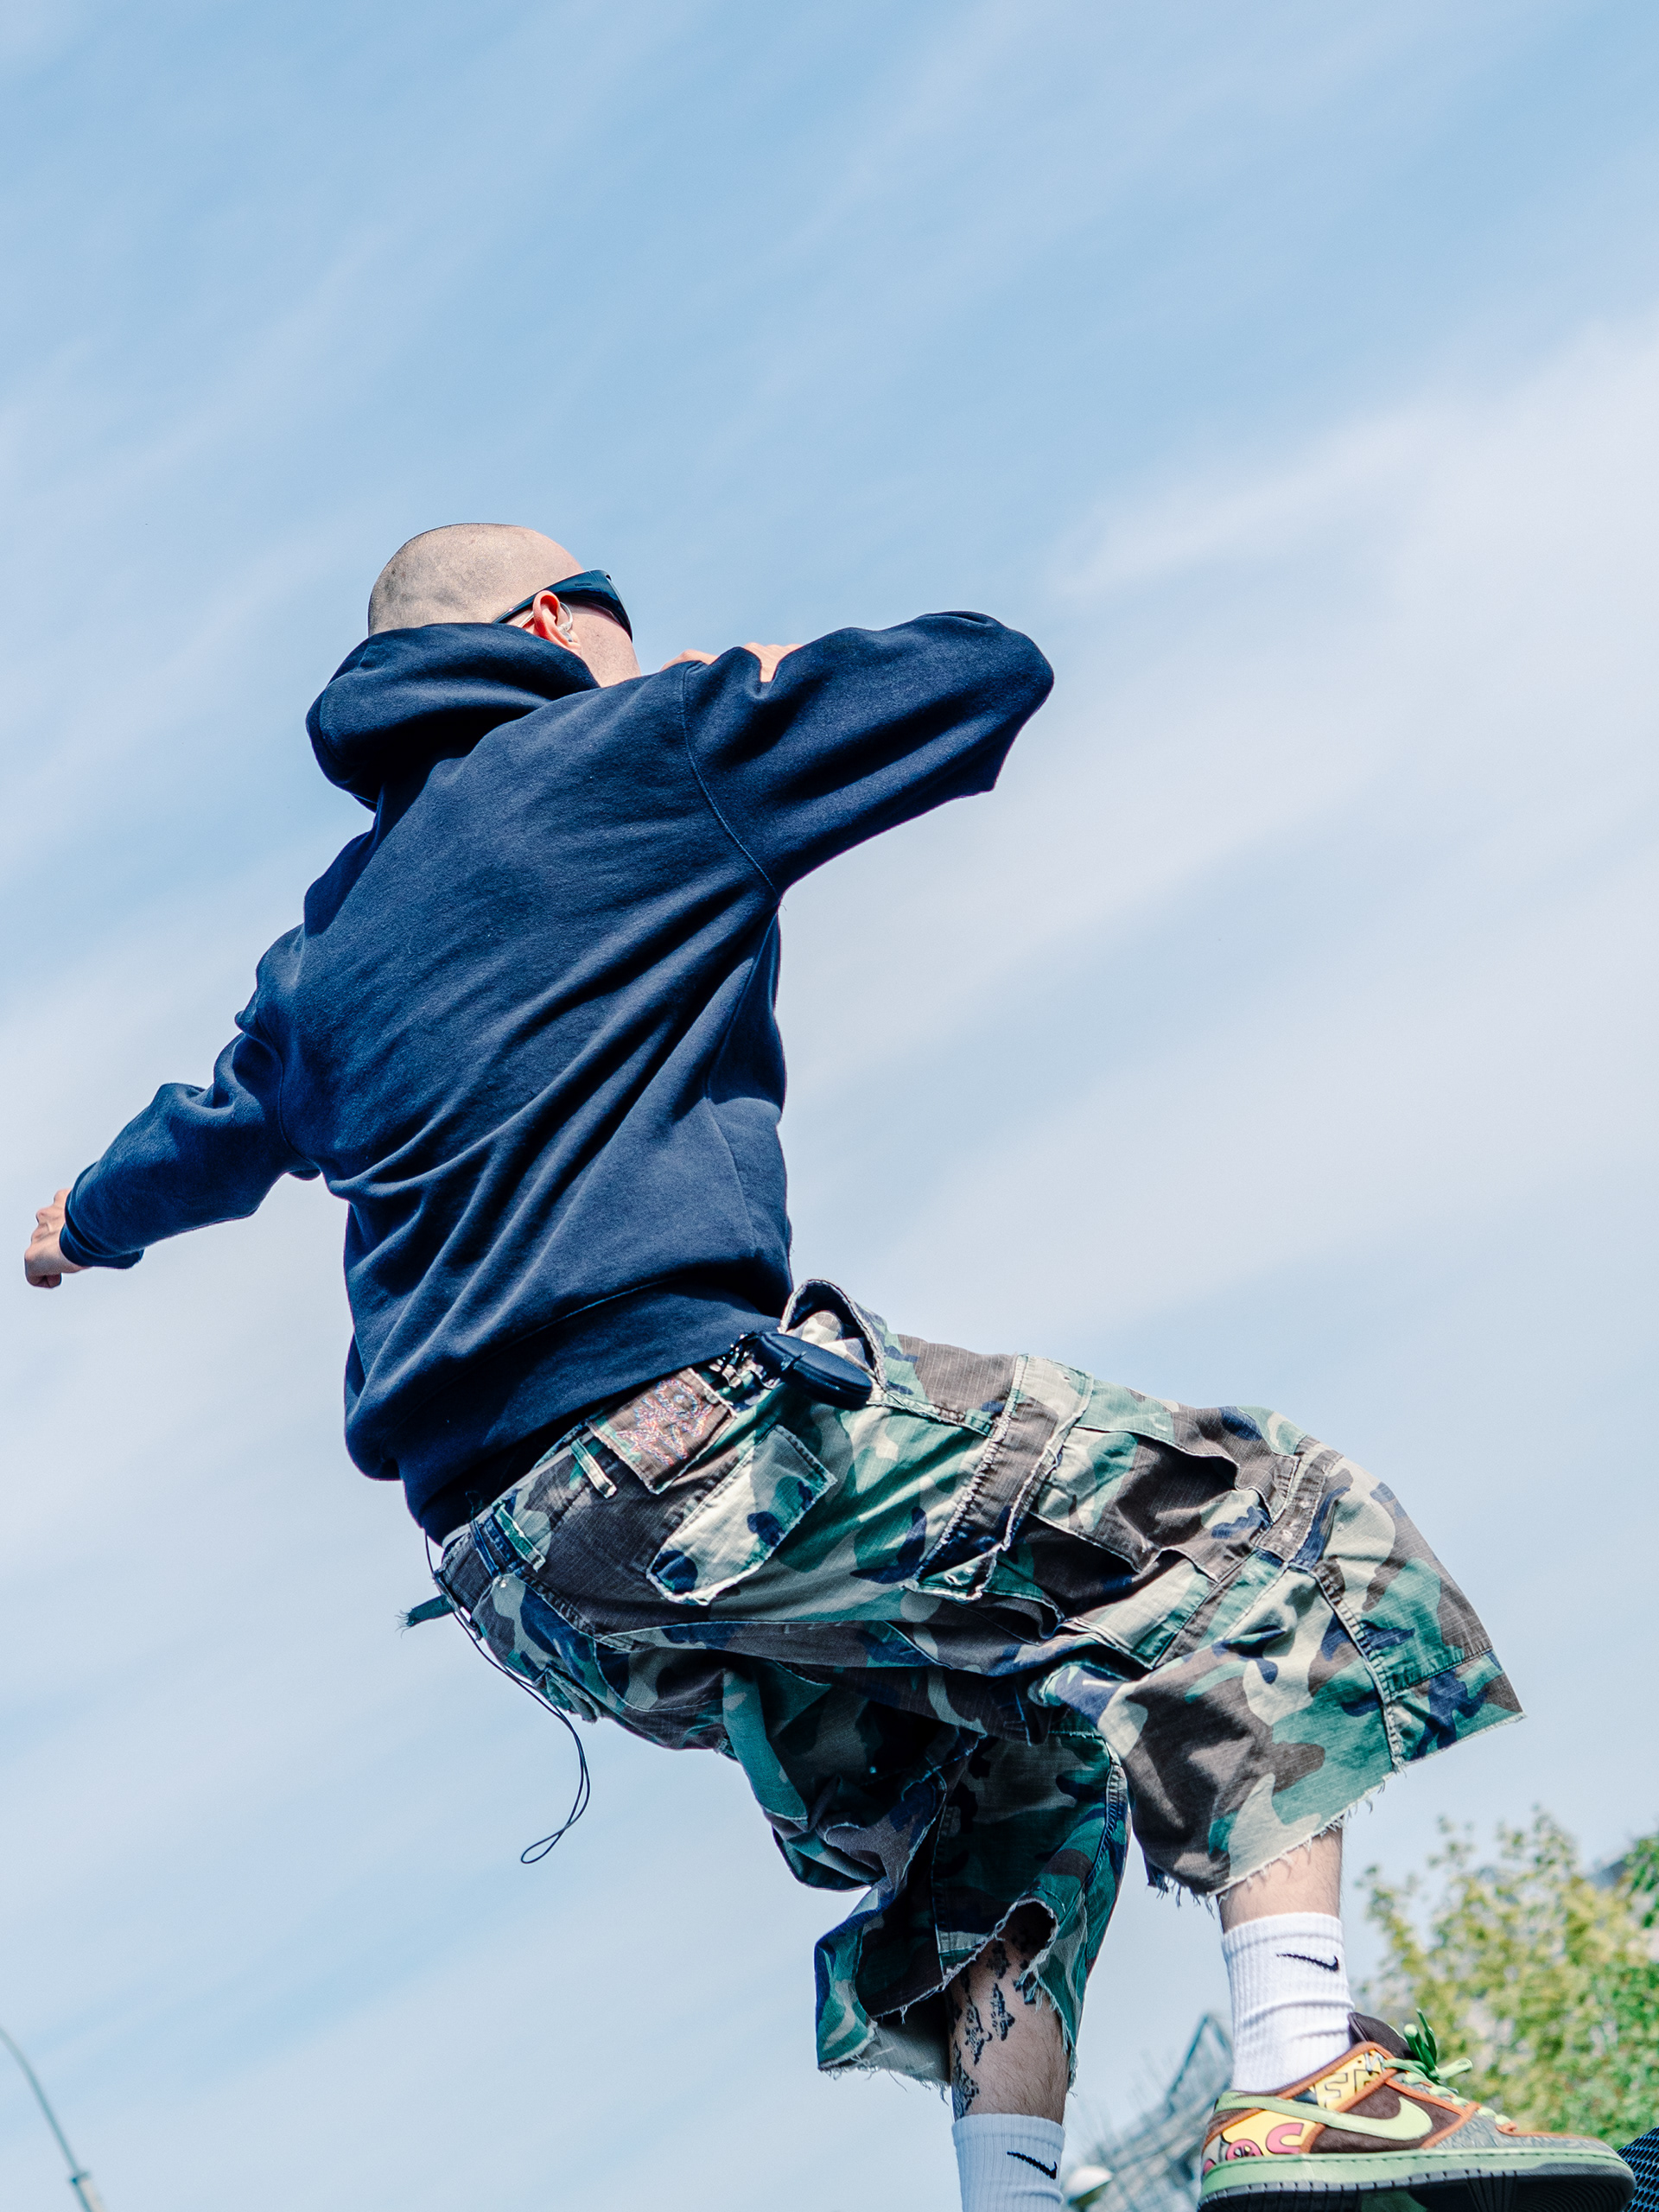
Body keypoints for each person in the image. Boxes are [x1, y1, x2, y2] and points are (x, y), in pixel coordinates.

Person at [25, 524, 1633, 2212]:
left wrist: (82, 1221)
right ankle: (1310, 2075)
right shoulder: (642, 745)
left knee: (1013, 1759)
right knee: (1250, 1517)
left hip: (532, 1583)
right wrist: (730, 689)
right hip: (687, 1449)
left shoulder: (322, 951)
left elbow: (206, 1136)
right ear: (555, 621)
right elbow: (983, 670)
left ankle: (1011, 2190)